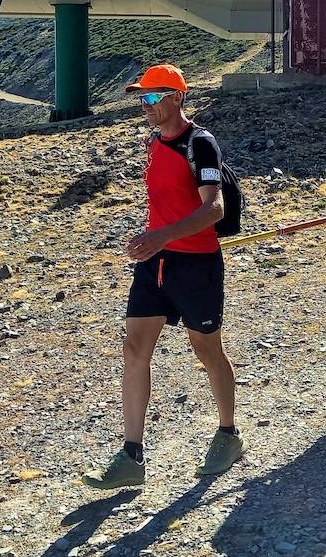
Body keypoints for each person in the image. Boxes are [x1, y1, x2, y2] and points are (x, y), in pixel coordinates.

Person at [81, 64, 243, 488]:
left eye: (153, 98)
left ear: (177, 97)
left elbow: (215, 209)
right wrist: (153, 241)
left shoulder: (201, 143)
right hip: (155, 264)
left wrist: (162, 235)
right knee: (134, 348)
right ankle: (131, 455)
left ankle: (228, 433)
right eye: (142, 98)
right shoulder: (154, 142)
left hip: (195, 265)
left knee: (207, 351)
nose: (145, 106)